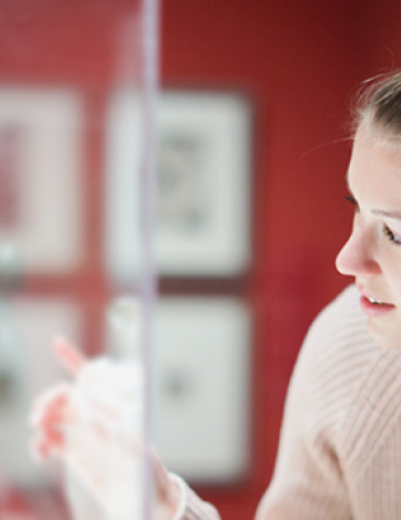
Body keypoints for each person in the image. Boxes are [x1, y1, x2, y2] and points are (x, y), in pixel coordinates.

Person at [31, 71, 401, 519]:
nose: (347, 260)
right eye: (355, 209)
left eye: (393, 233)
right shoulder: (348, 346)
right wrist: (162, 504)